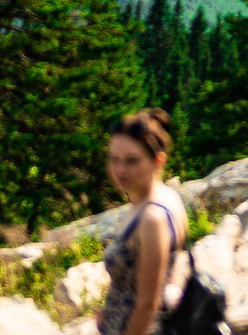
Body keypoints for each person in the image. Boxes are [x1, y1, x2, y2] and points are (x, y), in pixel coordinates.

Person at [100, 108, 188, 335]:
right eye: (114, 159)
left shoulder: (152, 218)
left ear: (158, 161)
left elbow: (149, 305)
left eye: (132, 161)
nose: (120, 169)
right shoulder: (166, 197)